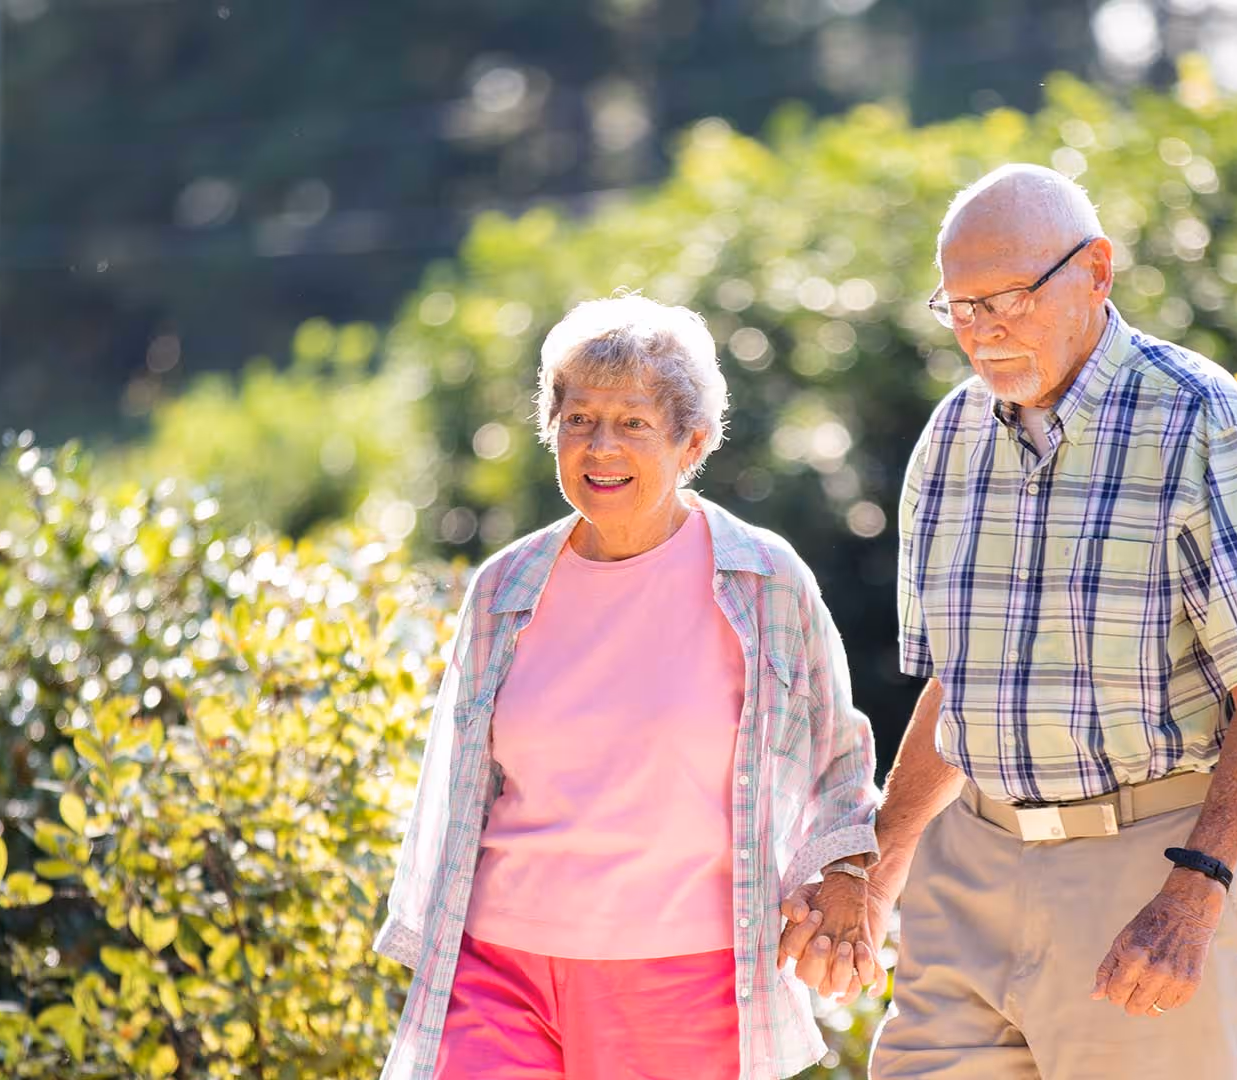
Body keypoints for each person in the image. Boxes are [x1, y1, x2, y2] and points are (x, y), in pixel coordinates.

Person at [787, 163, 1237, 1079]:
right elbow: (955, 690)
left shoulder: (1198, 419)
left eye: (1007, 298)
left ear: (1096, 271)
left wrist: (1196, 888)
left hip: (1150, 867)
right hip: (970, 866)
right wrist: (878, 869)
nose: (983, 331)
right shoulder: (951, 438)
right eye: (961, 308)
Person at [374, 294, 884, 1080]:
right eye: (578, 420)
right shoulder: (506, 586)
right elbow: (461, 782)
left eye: (633, 423)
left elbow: (837, 756)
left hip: (681, 976)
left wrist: (847, 881)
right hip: (498, 966)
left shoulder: (762, 579)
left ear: (693, 443)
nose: (600, 446)